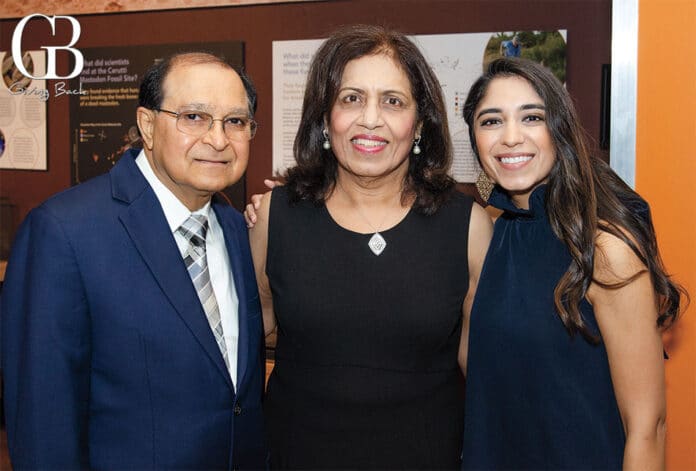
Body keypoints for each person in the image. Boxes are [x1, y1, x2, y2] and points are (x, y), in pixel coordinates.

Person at [1, 52, 266, 469]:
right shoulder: (65, 231)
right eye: (194, 117)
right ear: (146, 125)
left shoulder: (235, 230)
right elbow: (43, 419)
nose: (218, 139)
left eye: (235, 122)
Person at [248, 25, 492, 469]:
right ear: (325, 117)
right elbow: (247, 332)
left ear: (419, 123)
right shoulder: (274, 216)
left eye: (393, 101)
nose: (370, 119)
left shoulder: (468, 226)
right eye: (351, 98)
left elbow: (486, 373)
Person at [460, 57, 685, 470]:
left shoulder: (605, 249)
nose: (510, 137)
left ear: (559, 130)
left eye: (531, 117)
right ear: (474, 139)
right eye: (491, 121)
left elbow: (647, 427)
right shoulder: (495, 233)